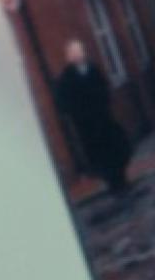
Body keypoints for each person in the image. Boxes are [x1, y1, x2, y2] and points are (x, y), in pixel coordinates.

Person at [52, 37, 131, 193]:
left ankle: (121, 179)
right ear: (68, 57)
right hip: (87, 126)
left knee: (116, 148)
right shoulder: (66, 78)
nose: (77, 55)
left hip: (104, 120)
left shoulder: (94, 70)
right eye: (73, 53)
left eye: (79, 51)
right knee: (99, 156)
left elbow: (104, 89)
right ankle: (113, 184)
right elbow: (63, 101)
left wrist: (103, 104)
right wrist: (77, 113)